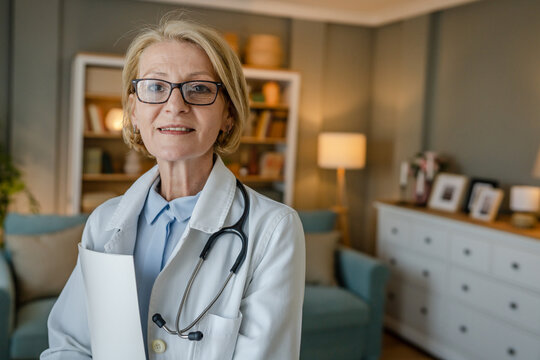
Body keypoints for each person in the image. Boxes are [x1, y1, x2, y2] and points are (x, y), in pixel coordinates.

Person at [41, 16, 305, 360]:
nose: (175, 105)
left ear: (228, 113)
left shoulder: (273, 230)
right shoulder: (105, 222)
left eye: (199, 88)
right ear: (134, 110)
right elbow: (70, 345)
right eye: (154, 87)